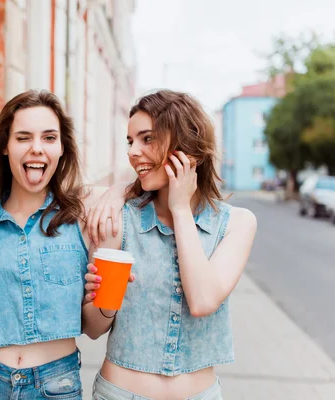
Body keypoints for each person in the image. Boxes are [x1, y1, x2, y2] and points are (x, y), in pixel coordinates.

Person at [0, 90, 123, 399]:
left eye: (49, 138)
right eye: (23, 138)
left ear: (62, 149)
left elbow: (93, 329)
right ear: (5, 148)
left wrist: (109, 300)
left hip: (55, 387)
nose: (37, 149)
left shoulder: (80, 218)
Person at [82, 90, 258, 400]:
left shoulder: (237, 224)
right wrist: (105, 303)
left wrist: (180, 209)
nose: (133, 152)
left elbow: (203, 301)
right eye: (130, 141)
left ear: (186, 148)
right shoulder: (118, 217)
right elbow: (93, 329)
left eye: (147, 139)